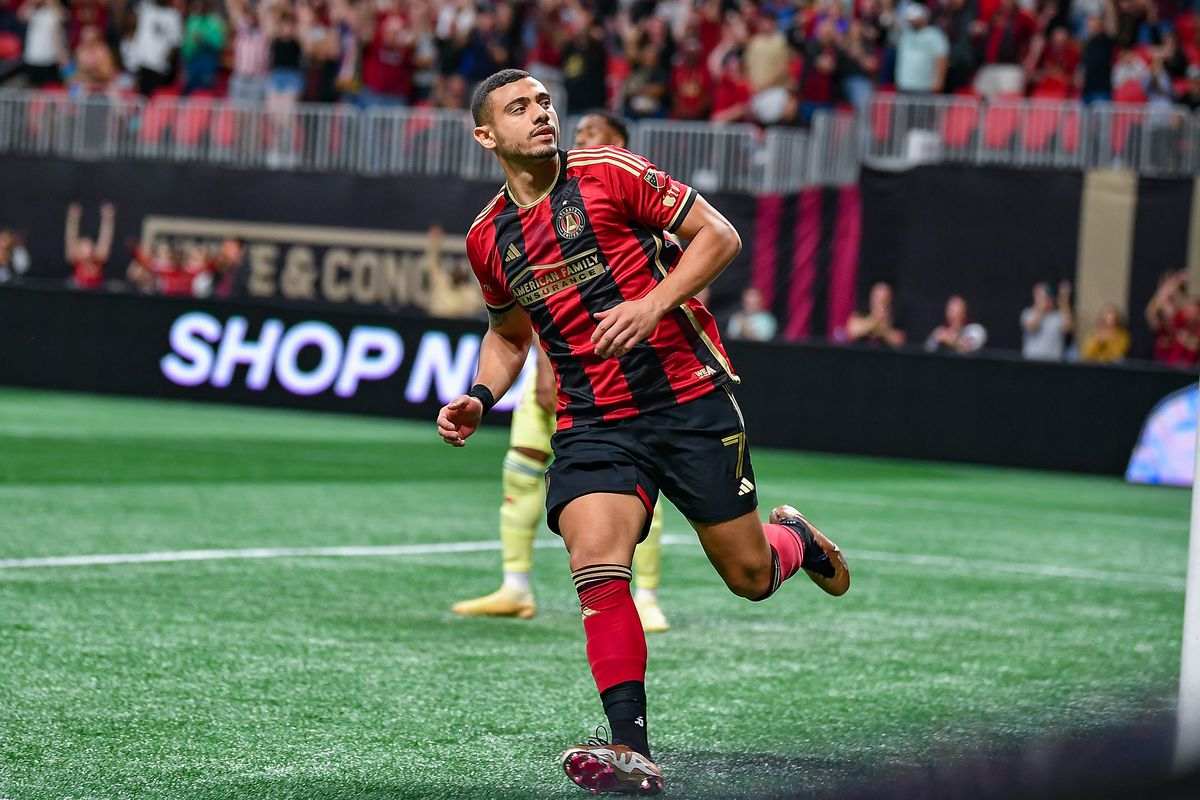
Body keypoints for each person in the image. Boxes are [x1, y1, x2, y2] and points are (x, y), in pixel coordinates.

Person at [437, 69, 849, 796]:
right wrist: (479, 395)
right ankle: (632, 750)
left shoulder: (610, 172)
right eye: (519, 108)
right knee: (597, 565)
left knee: (749, 578)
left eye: (543, 102)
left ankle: (795, 541)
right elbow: (507, 331)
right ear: (486, 135)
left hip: (687, 398)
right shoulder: (486, 238)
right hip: (592, 419)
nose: (541, 114)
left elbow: (719, 236)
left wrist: (654, 303)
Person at [451, 109, 675, 636]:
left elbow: (687, 264)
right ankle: (515, 585)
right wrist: (535, 371)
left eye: (595, 134)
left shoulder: (629, 188)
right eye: (580, 134)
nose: (579, 139)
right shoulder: (524, 213)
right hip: (558, 371)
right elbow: (537, 301)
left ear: (618, 142)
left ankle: (646, 596)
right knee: (521, 468)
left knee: (643, 482)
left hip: (636, 378)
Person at [64, 202, 114, 290]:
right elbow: (70, 237)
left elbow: (105, 238)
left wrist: (108, 219)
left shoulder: (98, 258)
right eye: (82, 246)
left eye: (88, 246)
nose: (85, 249)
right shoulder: (75, 257)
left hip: (96, 291)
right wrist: (73, 219)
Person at [1021, 280, 1074, 361]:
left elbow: (1069, 328)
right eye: (1044, 297)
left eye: (1049, 298)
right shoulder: (1028, 313)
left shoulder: (1058, 316)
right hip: (1032, 362)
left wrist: (1064, 300)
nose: (1047, 300)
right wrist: (1041, 305)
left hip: (1053, 362)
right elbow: (1031, 327)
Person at [844, 281, 906, 347]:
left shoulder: (896, 317)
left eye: (885, 299)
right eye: (877, 297)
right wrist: (873, 321)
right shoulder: (862, 312)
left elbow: (899, 341)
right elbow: (851, 332)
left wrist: (884, 328)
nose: (880, 302)